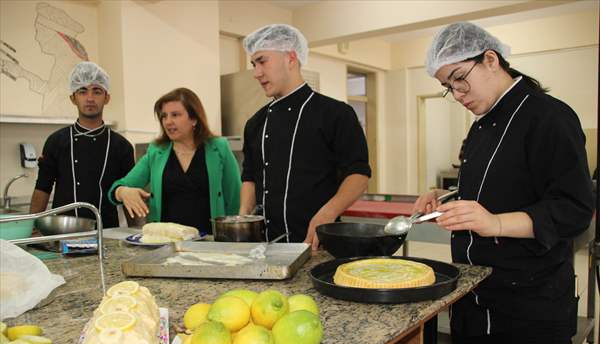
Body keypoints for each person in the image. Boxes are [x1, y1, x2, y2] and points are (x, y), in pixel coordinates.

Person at [416, 22, 594, 344]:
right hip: (473, 297)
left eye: (460, 78)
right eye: (449, 86)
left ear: (491, 59)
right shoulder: (481, 126)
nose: (457, 93)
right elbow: (493, 190)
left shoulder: (549, 117)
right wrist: (444, 198)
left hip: (529, 306)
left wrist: (494, 223)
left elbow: (575, 208)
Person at [241, 24, 371, 249]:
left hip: (318, 243)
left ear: (290, 58)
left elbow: (358, 174)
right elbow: (250, 176)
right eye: (254, 64)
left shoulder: (335, 113)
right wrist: (242, 220)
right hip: (265, 247)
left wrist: (328, 213)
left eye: (262, 61)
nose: (256, 73)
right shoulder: (255, 123)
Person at [108, 88, 241, 234]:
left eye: (175, 115)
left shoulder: (218, 148)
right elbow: (117, 188)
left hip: (210, 242)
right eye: (164, 116)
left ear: (194, 119)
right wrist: (123, 191)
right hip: (166, 244)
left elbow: (235, 198)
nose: (168, 122)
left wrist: (232, 237)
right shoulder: (156, 152)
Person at [30, 61, 134, 228]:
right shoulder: (56, 141)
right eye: (83, 91)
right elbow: (43, 187)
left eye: (97, 91)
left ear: (107, 98)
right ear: (73, 98)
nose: (90, 98)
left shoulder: (122, 146)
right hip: (63, 232)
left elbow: (131, 195)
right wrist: (31, 228)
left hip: (107, 234)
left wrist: (137, 234)